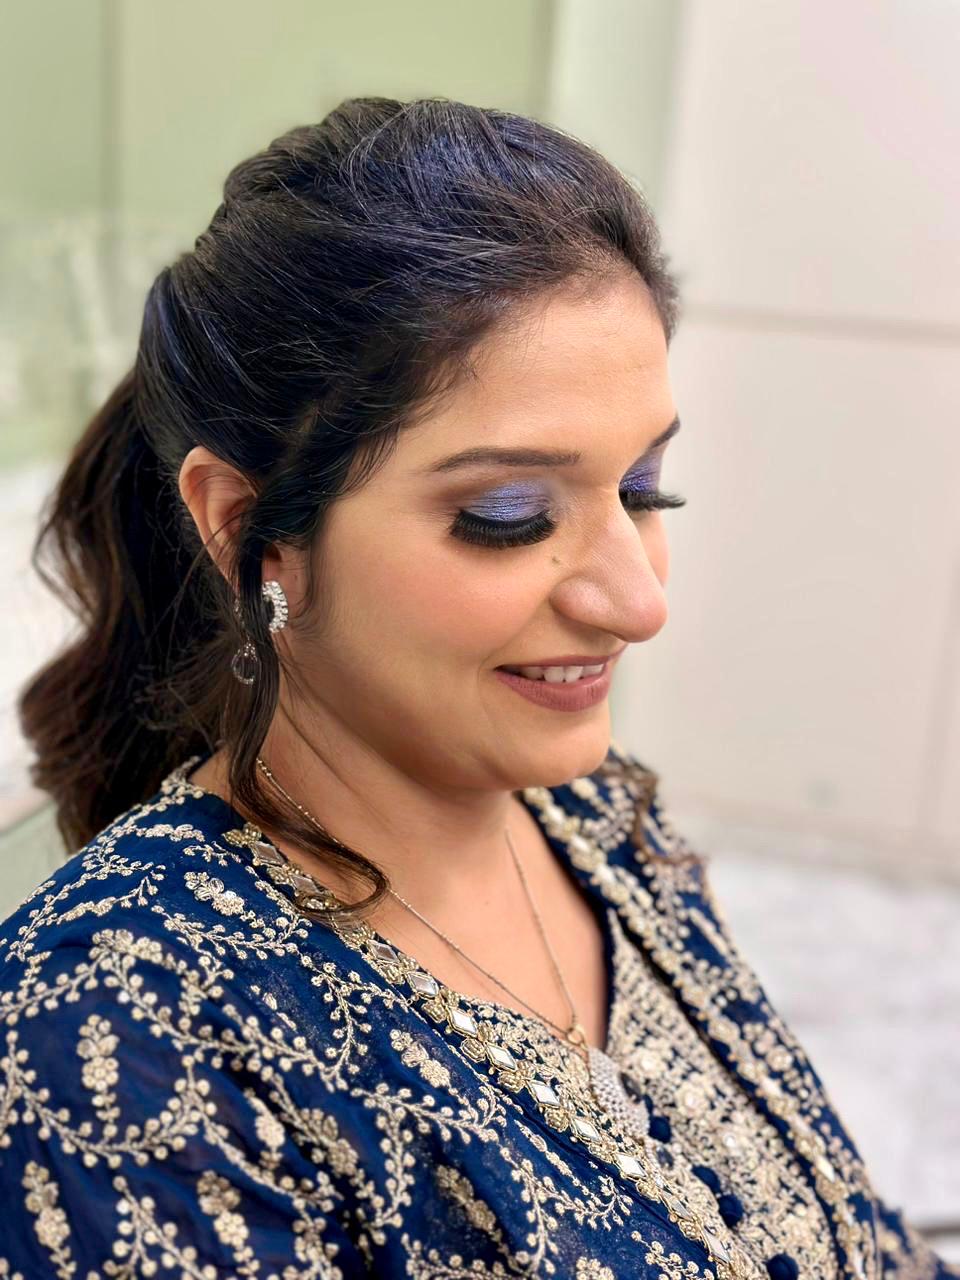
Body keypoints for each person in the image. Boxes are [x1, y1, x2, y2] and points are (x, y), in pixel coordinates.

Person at [2, 96, 954, 1280]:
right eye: (509, 515)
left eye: (644, 489)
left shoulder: (595, 816)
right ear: (250, 527)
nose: (637, 601)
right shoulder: (116, 1030)